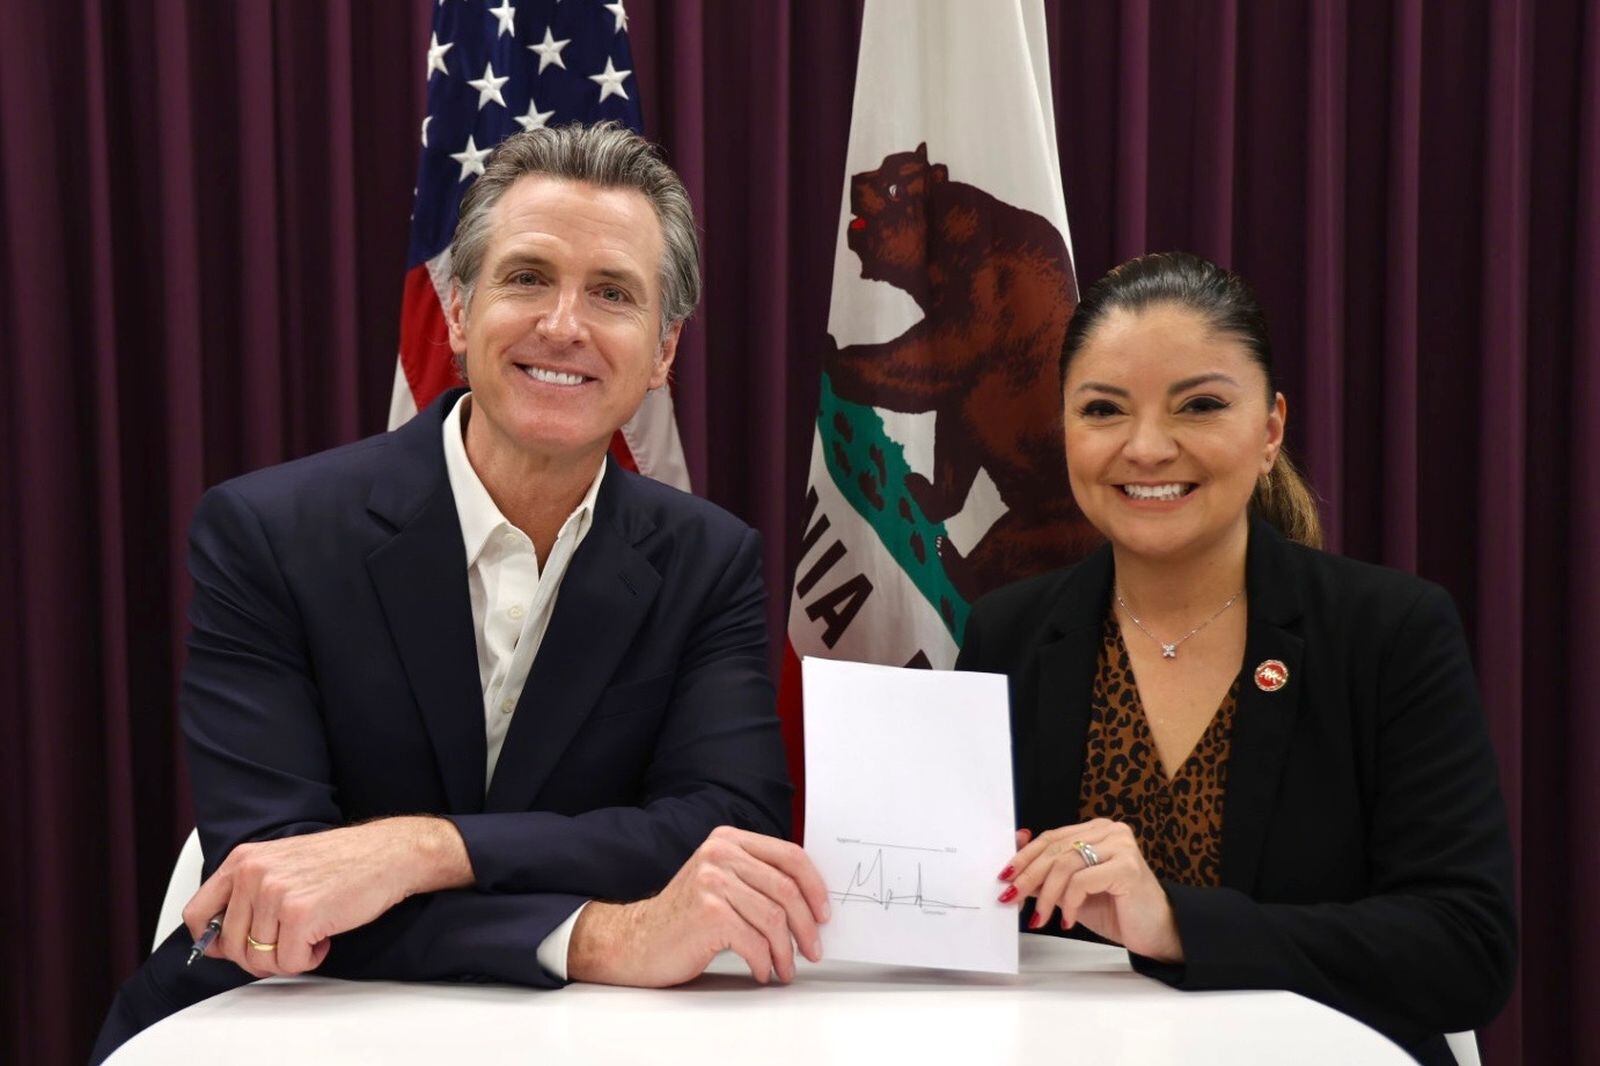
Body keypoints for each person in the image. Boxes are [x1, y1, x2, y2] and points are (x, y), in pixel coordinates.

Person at [92, 123, 829, 1063]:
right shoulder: (267, 534)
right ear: (456, 309)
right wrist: (598, 935)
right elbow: (281, 885)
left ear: (663, 351)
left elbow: (719, 829)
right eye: (527, 277)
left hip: (584, 1039)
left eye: (612, 293)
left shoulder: (710, 559)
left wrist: (422, 849)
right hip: (282, 1017)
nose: (563, 324)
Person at [957, 252, 1515, 1066]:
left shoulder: (1389, 633)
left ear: (1271, 428)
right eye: (1104, 410)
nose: (1146, 448)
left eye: (1202, 405)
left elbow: (1466, 948)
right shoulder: (1005, 636)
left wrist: (1175, 923)